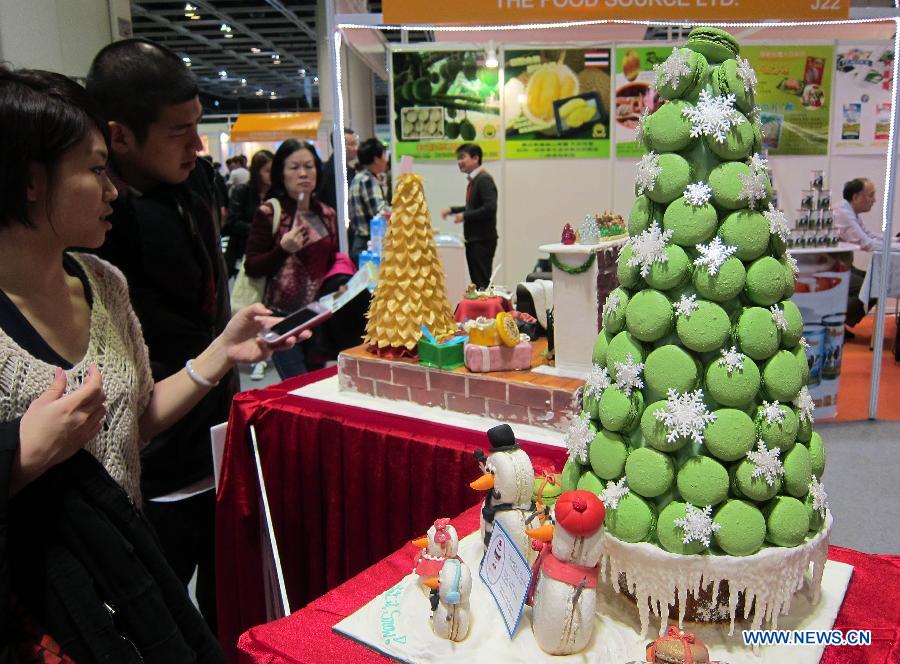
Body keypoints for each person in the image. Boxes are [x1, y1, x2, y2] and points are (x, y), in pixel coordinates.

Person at [0, 65, 304, 663]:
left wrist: (222, 351)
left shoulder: (103, 283)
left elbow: (130, 425)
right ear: (32, 181)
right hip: (40, 611)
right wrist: (20, 456)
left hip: (126, 578)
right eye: (93, 170)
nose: (112, 190)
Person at [86, 38, 233, 632]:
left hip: (220, 437)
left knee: (226, 611)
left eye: (198, 126)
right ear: (119, 136)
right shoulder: (97, 235)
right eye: (180, 131)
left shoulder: (194, 186)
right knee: (155, 626)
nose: (198, 146)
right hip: (149, 462)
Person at [244, 139, 355, 377]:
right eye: (294, 167)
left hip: (317, 317)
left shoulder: (327, 213)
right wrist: (283, 249)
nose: (303, 173)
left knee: (314, 381)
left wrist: (345, 282)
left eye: (309, 166)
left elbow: (332, 259)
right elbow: (252, 266)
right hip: (280, 319)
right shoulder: (271, 212)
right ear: (281, 174)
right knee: (297, 383)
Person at [440, 143, 498, 289]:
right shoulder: (476, 180)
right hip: (475, 239)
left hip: (482, 240)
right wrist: (453, 210)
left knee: (482, 283)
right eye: (458, 159)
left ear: (475, 158)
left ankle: (486, 311)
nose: (459, 162)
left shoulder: (483, 179)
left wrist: (465, 216)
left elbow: (490, 208)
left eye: (462, 157)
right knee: (478, 282)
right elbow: (474, 207)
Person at [834, 178, 882, 335]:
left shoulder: (848, 211)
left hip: (843, 265)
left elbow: (869, 236)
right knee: (873, 286)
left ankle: (839, 321)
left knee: (875, 280)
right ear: (856, 197)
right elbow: (866, 243)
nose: (874, 200)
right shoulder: (843, 213)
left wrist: (893, 241)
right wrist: (892, 245)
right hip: (835, 268)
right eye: (871, 195)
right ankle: (835, 323)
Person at [223, 149, 273, 278]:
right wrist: (259, 230)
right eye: (267, 171)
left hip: (268, 253)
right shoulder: (242, 191)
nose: (272, 175)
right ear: (257, 172)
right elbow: (232, 222)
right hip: (243, 251)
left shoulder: (276, 194)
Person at [347, 137, 389, 264]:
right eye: (384, 156)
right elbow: (380, 212)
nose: (386, 160)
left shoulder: (359, 177)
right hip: (367, 243)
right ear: (376, 159)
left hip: (360, 242)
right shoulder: (368, 180)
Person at [319, 126, 359, 210]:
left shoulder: (350, 170)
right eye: (352, 144)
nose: (356, 148)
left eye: (356, 143)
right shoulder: (329, 172)